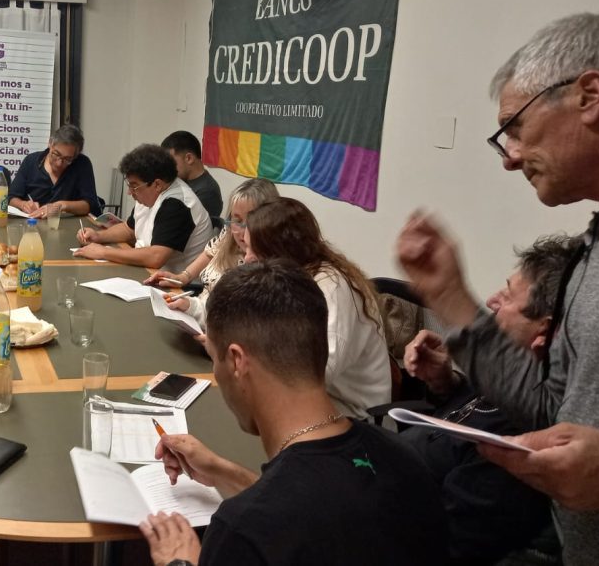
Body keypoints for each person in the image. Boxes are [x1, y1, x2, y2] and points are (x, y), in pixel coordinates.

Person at [395, 13, 599, 561]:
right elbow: (551, 413)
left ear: (589, 96)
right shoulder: (592, 252)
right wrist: (452, 300)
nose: (510, 157)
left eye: (515, 126)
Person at [138, 260, 447, 566]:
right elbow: (318, 517)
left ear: (236, 361)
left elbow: (287, 517)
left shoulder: (241, 533)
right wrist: (223, 471)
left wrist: (179, 563)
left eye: (213, 358)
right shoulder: (405, 459)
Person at [401, 236, 576, 564]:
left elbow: (450, 542)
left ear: (544, 331)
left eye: (507, 297)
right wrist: (445, 383)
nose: (492, 301)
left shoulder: (517, 439)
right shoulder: (508, 383)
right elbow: (467, 416)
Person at [236, 197, 391, 420]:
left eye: (254, 250)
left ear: (279, 251)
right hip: (314, 399)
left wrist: (255, 360)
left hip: (351, 414)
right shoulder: (291, 277)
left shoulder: (332, 289)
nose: (247, 258)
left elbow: (317, 372)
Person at [144, 178, 279, 326]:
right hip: (201, 313)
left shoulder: (270, 269)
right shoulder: (229, 234)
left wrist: (194, 310)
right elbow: (210, 253)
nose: (241, 231)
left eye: (250, 222)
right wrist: (183, 277)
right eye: (237, 220)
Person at [75, 144, 212, 272]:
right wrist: (98, 236)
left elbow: (156, 257)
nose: (129, 192)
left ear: (157, 184)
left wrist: (104, 252)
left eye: (134, 186)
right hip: (149, 271)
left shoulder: (177, 204)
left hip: (176, 281)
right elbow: (129, 229)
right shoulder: (149, 194)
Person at [8, 124, 103, 217]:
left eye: (67, 159)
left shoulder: (82, 164)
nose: (59, 163)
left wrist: (62, 205)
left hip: (68, 224)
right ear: (50, 144)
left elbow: (90, 204)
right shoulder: (31, 161)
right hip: (32, 221)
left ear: (75, 156)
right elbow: (11, 198)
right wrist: (23, 204)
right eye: (56, 154)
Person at [161, 130, 223, 218]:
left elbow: (181, 222)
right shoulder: (180, 180)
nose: (168, 168)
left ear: (189, 158)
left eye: (171, 162)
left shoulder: (208, 192)